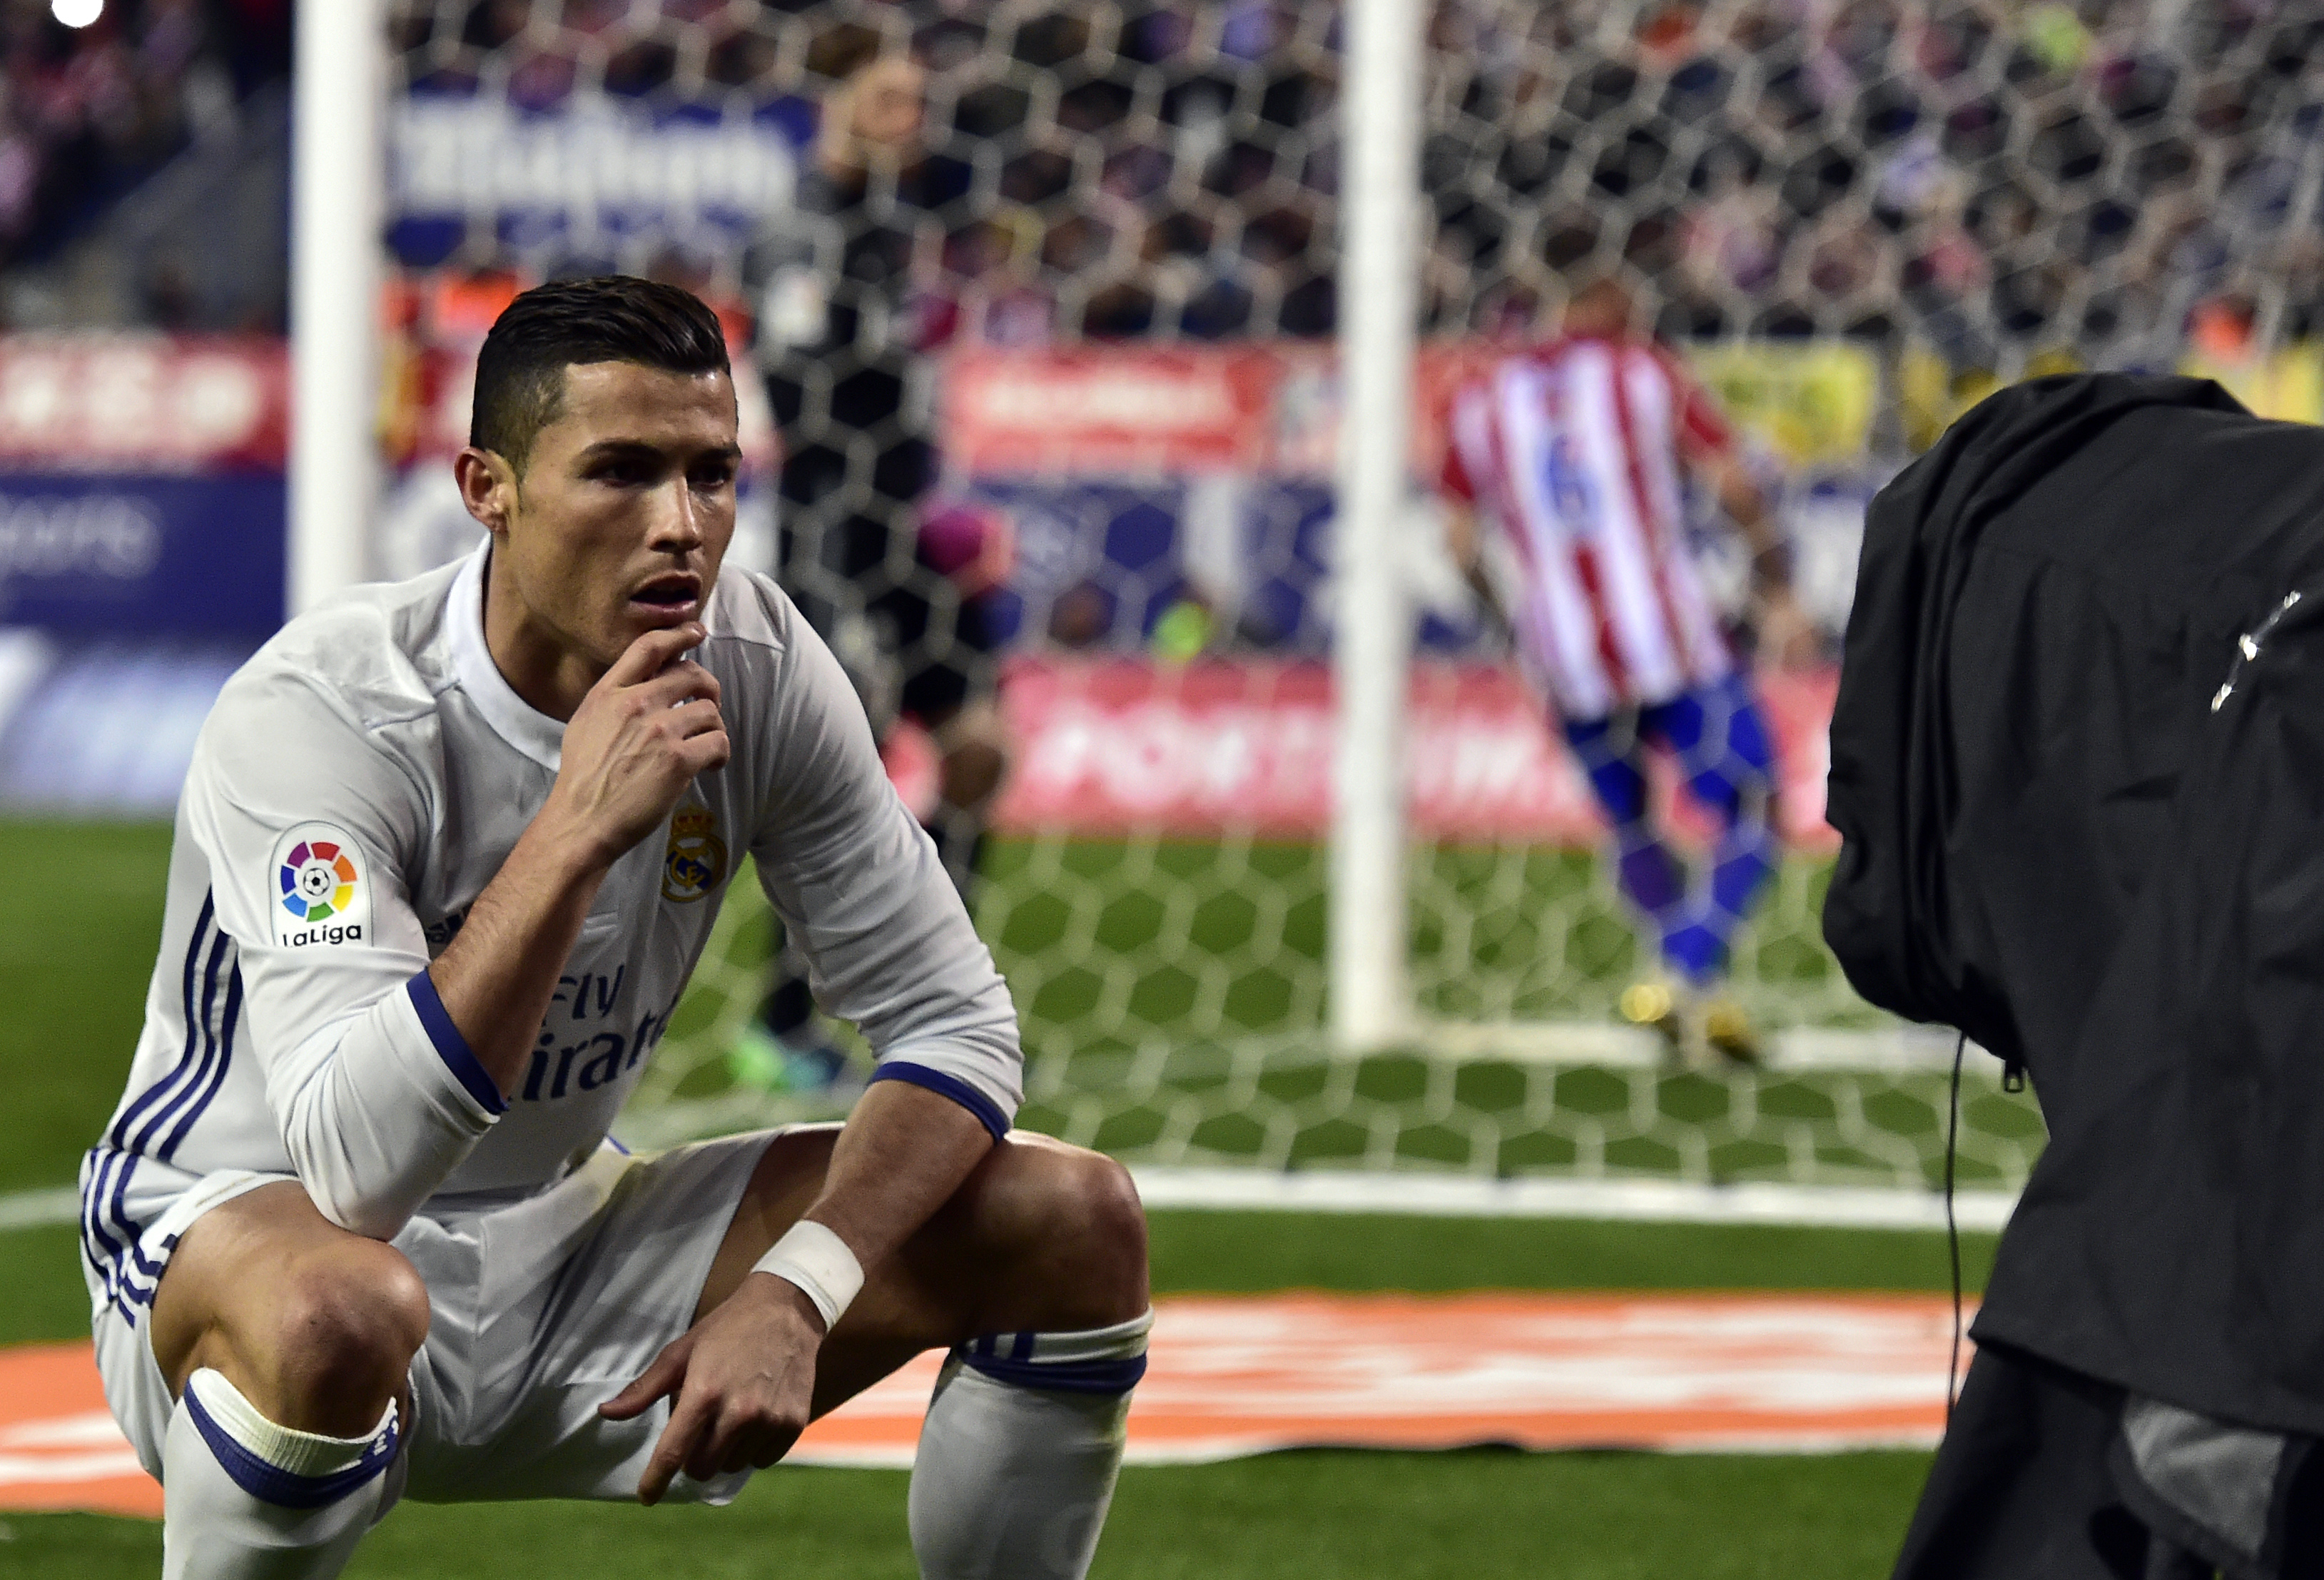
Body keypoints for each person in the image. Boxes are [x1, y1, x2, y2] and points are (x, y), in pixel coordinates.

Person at [76, 276, 1150, 1580]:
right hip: (253, 1236)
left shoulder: (755, 661)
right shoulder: (325, 710)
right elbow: (356, 1169)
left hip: (571, 1230)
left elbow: (956, 1020)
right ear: (489, 487)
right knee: (340, 1306)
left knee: (1070, 1213)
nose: (682, 527)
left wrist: (798, 1285)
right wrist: (572, 831)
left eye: (713, 474)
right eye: (622, 472)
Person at [1438, 275, 1817, 1063]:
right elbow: (1734, 486)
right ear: (1609, 306)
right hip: (1671, 646)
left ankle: (1688, 992)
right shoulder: (1643, 375)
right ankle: (1680, 973)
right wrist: (1775, 589)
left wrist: (1511, 628)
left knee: (1632, 822)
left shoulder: (1478, 403)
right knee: (1752, 809)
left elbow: (1460, 545)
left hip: (1566, 660)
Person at [740, 42, 1013, 1092]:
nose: (911, 114)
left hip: (911, 527)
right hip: (836, 532)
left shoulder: (898, 229)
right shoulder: (800, 230)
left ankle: (933, 990)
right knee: (841, 775)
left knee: (980, 749)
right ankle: (780, 1017)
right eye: (889, 96)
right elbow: (800, 393)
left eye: (917, 96)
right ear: (833, 103)